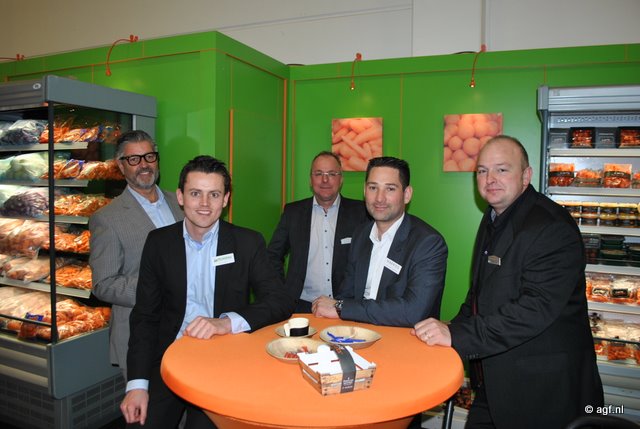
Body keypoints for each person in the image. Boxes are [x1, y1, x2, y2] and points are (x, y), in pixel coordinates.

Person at [413, 135, 603, 429]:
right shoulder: (493, 216)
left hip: (542, 393)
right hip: (495, 382)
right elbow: (479, 295)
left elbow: (533, 310)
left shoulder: (551, 227)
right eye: (482, 171)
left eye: (502, 169)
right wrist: (449, 329)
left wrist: (457, 336)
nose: (490, 179)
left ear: (526, 176)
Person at [121, 155, 294, 428]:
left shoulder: (247, 243)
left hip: (223, 361)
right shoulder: (159, 243)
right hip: (168, 357)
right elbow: (145, 316)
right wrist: (137, 385)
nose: (204, 204)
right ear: (180, 196)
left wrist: (226, 323)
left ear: (225, 199)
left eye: (213, 194)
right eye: (195, 193)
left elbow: (279, 301)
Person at [312, 156, 448, 327]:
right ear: (364, 191)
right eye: (373, 188)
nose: (379, 198)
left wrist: (341, 308)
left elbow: (412, 312)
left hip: (403, 336)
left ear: (406, 194)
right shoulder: (361, 234)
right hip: (357, 332)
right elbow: (346, 293)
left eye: (390, 189)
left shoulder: (428, 243)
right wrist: (340, 309)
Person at [90, 130, 184, 376]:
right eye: (134, 159)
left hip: (187, 331)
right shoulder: (107, 219)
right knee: (148, 401)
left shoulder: (181, 203)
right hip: (141, 338)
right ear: (121, 166)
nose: (144, 165)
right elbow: (103, 284)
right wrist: (156, 289)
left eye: (149, 157)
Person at [268, 151, 369, 313]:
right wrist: (282, 290)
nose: (325, 180)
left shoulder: (361, 213)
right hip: (300, 306)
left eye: (331, 174)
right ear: (311, 179)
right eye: (318, 173)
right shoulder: (293, 212)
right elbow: (273, 255)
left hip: (343, 306)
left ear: (341, 179)